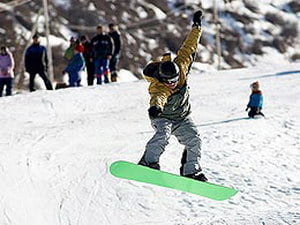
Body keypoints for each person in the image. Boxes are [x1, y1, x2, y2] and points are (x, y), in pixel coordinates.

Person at [138, 10, 208, 182]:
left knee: (195, 140)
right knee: (163, 135)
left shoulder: (182, 67)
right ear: (163, 79)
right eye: (169, 82)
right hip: (163, 117)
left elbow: (190, 46)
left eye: (175, 80)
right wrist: (155, 108)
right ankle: (148, 162)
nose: (173, 84)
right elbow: (158, 98)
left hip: (182, 117)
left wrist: (197, 27)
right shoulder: (160, 86)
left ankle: (191, 171)